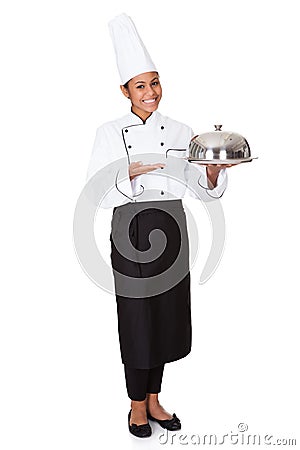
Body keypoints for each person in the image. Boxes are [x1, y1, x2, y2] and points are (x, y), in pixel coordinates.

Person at [86, 13, 236, 438]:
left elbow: (201, 190)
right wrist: (129, 172)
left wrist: (210, 173)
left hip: (172, 225)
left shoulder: (183, 130)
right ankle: (136, 404)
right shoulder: (108, 132)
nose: (150, 92)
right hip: (129, 228)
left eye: (154, 82)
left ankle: (155, 399)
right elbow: (96, 191)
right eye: (140, 85)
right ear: (124, 91)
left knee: (168, 315)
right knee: (137, 317)